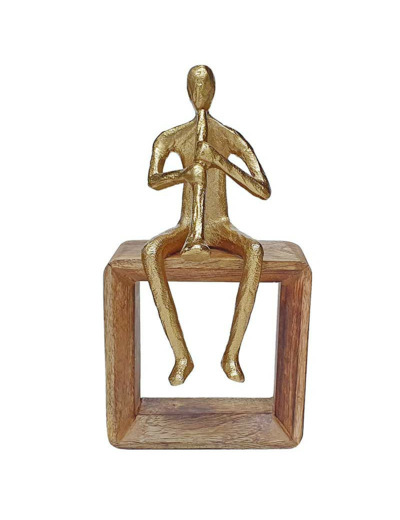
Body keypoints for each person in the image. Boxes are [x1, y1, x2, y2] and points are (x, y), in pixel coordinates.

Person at [142, 65, 271, 385]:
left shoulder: (228, 136)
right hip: (188, 226)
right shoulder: (171, 137)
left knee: (255, 250)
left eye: (205, 87)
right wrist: (185, 175)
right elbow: (153, 179)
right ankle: (181, 356)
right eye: (195, 87)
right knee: (151, 251)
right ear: (188, 92)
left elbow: (263, 189)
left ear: (214, 91)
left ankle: (232, 354)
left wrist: (220, 161)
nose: (200, 94)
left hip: (219, 225)